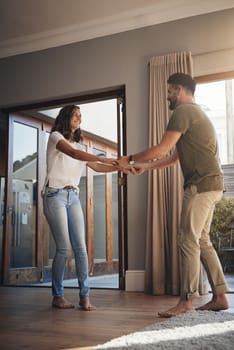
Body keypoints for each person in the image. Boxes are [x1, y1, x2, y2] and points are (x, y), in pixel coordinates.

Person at [117, 73, 229, 317]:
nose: (167, 96)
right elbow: (173, 156)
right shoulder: (197, 114)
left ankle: (186, 301)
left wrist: (130, 158)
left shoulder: (182, 112)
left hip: (200, 185)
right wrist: (145, 167)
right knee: (201, 240)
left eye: (169, 91)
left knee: (188, 240)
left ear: (178, 90)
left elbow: (161, 147)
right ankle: (220, 296)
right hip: (213, 185)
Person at [43, 104, 122, 310]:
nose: (79, 118)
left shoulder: (80, 146)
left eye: (80, 115)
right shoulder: (55, 138)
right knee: (63, 248)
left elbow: (97, 166)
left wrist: (121, 167)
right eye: (75, 115)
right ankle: (57, 296)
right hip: (55, 195)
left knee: (81, 248)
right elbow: (74, 155)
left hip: (73, 196)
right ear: (66, 117)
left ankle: (84, 297)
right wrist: (102, 157)